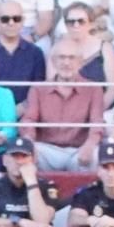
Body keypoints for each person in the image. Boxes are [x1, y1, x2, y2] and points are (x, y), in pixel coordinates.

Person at [21, 36, 105, 170]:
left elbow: (97, 122)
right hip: (46, 150)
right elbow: (29, 120)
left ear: (81, 62)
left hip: (79, 150)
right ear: (53, 61)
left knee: (96, 155)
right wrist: (29, 141)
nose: (66, 63)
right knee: (25, 153)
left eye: (72, 58)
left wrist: (90, 144)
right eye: (61, 57)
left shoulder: (94, 89)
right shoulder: (38, 89)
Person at [0, 0, 44, 107]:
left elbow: (39, 90)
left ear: (23, 21)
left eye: (16, 18)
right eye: (5, 19)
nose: (11, 23)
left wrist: (23, 108)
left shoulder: (35, 53)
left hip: (26, 114)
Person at [61, 1, 114, 104]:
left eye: (81, 21)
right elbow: (51, 86)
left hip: (100, 109)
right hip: (66, 112)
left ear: (91, 24)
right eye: (71, 21)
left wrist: (95, 113)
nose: (76, 25)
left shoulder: (105, 48)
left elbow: (112, 90)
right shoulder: (58, 49)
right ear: (65, 25)